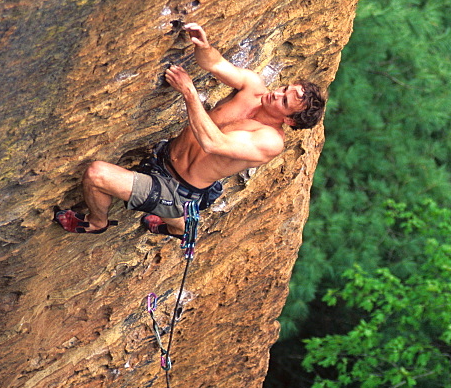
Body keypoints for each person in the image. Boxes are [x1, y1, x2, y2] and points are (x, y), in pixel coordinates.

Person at [54, 23, 326, 236]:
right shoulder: (254, 88)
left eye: (284, 101)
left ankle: (99, 222)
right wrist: (203, 44)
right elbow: (216, 64)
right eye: (284, 88)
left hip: (178, 189)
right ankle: (178, 224)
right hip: (162, 158)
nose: (277, 93)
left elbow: (214, 144)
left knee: (96, 174)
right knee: (123, 182)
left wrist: (189, 93)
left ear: (290, 120)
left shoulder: (270, 141)